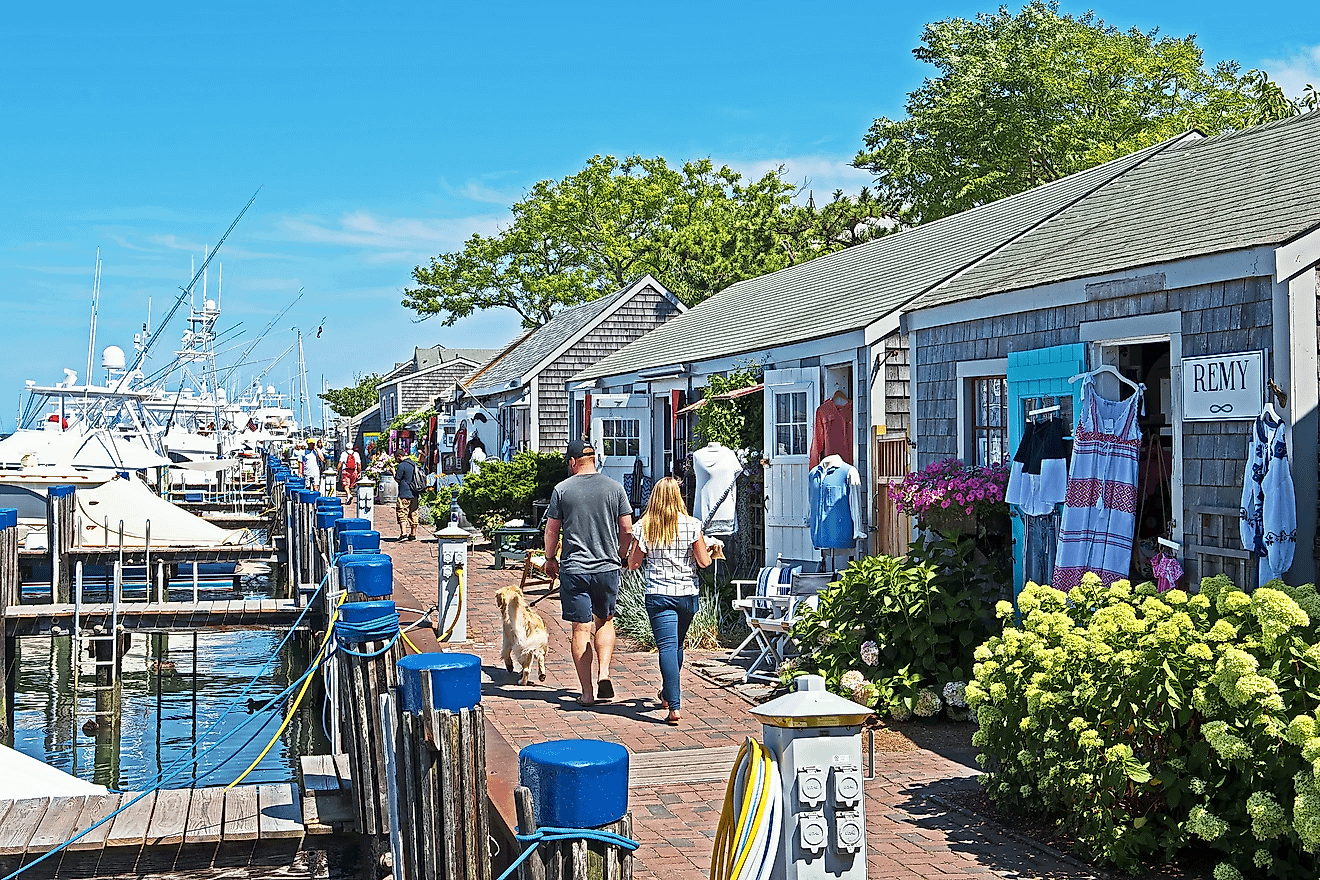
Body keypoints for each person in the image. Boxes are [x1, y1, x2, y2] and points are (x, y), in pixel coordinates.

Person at [543, 439, 632, 706]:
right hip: (607, 567)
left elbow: (552, 530)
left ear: (572, 462)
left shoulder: (562, 490)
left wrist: (549, 558)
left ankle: (587, 692)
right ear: (594, 459)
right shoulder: (615, 488)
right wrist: (621, 555)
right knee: (605, 621)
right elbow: (627, 529)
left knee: (581, 629)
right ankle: (604, 673)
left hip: (575, 568)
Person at [626, 477, 712, 726]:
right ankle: (667, 695)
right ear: (678, 497)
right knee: (677, 645)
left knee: (667, 647)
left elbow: (633, 564)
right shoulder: (692, 525)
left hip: (659, 593)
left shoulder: (644, 526)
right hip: (686, 593)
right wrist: (710, 550)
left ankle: (674, 705)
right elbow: (704, 562)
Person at [394, 449, 421, 541]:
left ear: (399, 456)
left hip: (404, 493)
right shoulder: (414, 464)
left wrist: (393, 471)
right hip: (414, 492)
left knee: (402, 512)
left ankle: (403, 533)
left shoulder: (402, 465)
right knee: (414, 512)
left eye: (396, 458)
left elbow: (397, 479)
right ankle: (413, 534)